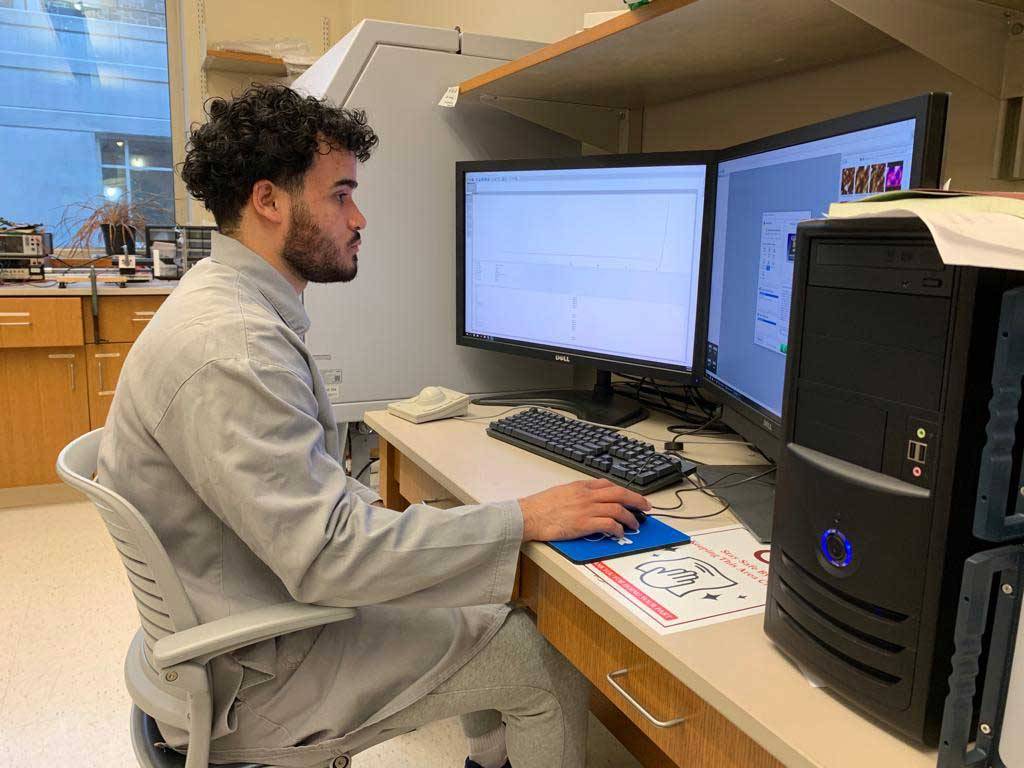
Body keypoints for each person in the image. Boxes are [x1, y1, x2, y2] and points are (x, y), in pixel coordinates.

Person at [98, 84, 650, 768]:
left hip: (235, 623)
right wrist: (523, 518)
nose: (359, 217)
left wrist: (477, 526)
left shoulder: (226, 303)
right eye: (339, 195)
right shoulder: (233, 348)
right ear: (268, 201)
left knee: (474, 595)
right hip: (259, 678)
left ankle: (492, 759)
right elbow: (328, 556)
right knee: (540, 657)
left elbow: (312, 507)